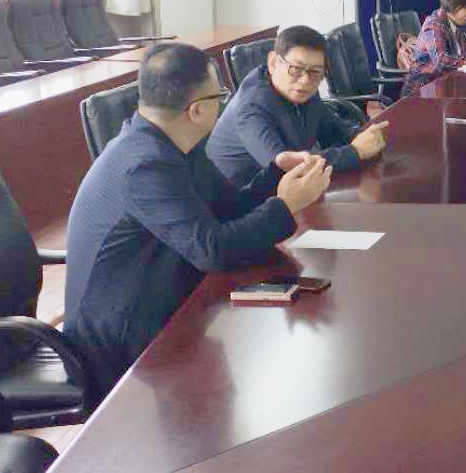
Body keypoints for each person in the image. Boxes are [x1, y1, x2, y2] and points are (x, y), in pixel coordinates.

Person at [65, 43, 331, 391]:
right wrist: (284, 206)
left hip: (163, 301)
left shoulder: (176, 144)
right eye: (219, 95)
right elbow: (212, 250)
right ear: (196, 110)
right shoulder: (145, 165)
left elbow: (227, 207)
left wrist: (275, 174)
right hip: (120, 344)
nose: (222, 103)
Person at [207, 24, 388, 189]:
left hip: (286, 193)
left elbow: (333, 130)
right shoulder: (251, 107)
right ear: (273, 63)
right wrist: (355, 152)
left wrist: (363, 136)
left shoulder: (304, 89)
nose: (305, 80)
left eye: (316, 72)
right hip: (243, 200)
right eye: (295, 69)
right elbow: (286, 168)